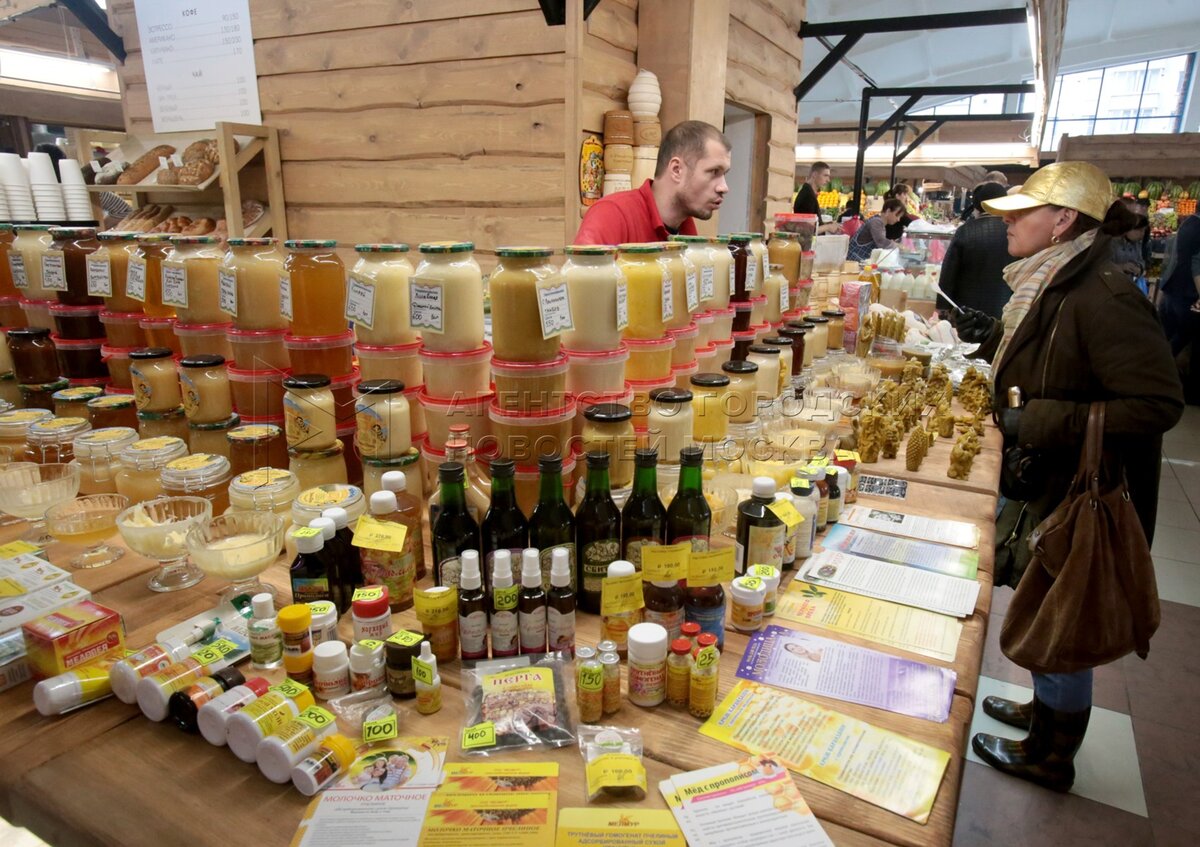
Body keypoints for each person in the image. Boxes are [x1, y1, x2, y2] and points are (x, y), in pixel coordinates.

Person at [953, 160, 1182, 792]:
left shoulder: (1102, 294)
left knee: (1061, 613)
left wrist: (1042, 418)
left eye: (1021, 213)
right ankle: (1043, 713)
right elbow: (1056, 359)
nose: (1007, 225)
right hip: (1050, 478)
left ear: (1062, 220)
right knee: (1043, 598)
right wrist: (992, 338)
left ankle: (1051, 755)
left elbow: (1158, 403)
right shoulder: (1054, 278)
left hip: (1081, 488)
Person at [574, 120, 729, 245]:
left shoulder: (686, 228)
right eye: (714, 171)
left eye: (724, 174)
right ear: (677, 170)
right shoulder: (610, 215)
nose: (724, 187)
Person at [936, 182, 1012, 318]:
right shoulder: (1013, 230)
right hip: (1004, 305)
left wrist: (943, 307)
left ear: (978, 205)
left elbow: (949, 271)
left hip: (967, 309)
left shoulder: (965, 230)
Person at [1157, 214, 1200, 399]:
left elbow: (1171, 261)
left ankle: (1154, 378)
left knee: (1168, 337)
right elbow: (1197, 264)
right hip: (1186, 295)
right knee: (1182, 339)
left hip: (1173, 291)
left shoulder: (1188, 224)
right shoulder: (1197, 227)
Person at [792, 161, 843, 233]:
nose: (828, 180)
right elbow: (807, 230)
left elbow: (811, 225)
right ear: (814, 174)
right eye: (825, 175)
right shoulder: (808, 196)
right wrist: (828, 227)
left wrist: (828, 225)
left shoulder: (809, 192)